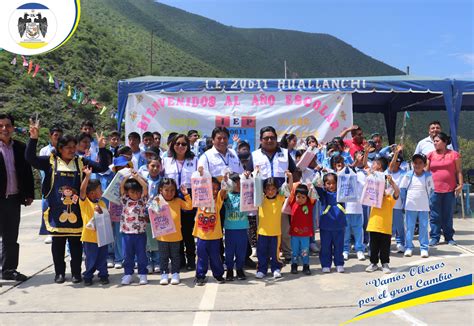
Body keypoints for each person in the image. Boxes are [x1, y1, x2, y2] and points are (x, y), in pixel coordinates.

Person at [26, 122, 108, 283]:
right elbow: (30, 158)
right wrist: (33, 139)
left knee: (76, 246)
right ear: (60, 148)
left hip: (77, 212)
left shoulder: (80, 162)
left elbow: (102, 166)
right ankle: (60, 273)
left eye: (73, 146)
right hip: (57, 211)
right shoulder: (50, 161)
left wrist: (102, 148)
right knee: (58, 245)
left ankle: (77, 273)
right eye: (68, 147)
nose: (71, 150)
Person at [246, 126, 297, 264]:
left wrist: (291, 180)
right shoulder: (255, 155)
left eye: (272, 138)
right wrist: (247, 174)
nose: (269, 140)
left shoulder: (285, 153)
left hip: (281, 196)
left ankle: (287, 253)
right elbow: (248, 172)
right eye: (266, 138)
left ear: (276, 139)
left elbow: (295, 172)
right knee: (263, 227)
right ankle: (266, 255)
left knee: (284, 227)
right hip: (262, 197)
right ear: (261, 140)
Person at [0, 113, 35, 282]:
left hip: (13, 199)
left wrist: (28, 193)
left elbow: (26, 172)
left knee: (11, 236)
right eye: (1, 126)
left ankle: (9, 269)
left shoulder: (20, 147)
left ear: (13, 128)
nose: (4, 129)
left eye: (7, 126)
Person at [163, 134, 198, 270]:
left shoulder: (194, 160)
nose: (180, 146)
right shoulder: (166, 160)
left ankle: (190, 260)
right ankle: (179, 260)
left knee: (188, 231)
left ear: (188, 146)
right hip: (171, 196)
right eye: (177, 143)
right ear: (173, 145)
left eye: (184, 144)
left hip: (187, 196)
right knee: (175, 229)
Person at [426, 132, 462, 246]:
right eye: (434, 141)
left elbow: (459, 171)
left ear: (445, 142)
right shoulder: (430, 155)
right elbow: (426, 171)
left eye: (437, 141)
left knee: (448, 214)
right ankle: (435, 237)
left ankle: (449, 237)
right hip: (433, 190)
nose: (435, 143)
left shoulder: (454, 154)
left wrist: (460, 184)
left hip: (449, 189)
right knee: (434, 215)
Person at [154, 178, 192, 285]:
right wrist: (155, 201)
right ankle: (164, 274)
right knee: (163, 256)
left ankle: (175, 273)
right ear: (161, 190)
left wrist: (186, 195)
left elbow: (189, 206)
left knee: (176, 256)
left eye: (172, 190)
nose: (170, 193)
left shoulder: (178, 201)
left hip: (176, 236)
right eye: (167, 190)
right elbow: (151, 213)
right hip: (162, 237)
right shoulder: (157, 201)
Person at [256, 173, 292, 279]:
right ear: (264, 190)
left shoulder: (280, 199)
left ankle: (276, 268)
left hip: (276, 233)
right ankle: (262, 270)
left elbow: (289, 189)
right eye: (268, 189)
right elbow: (256, 186)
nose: (270, 191)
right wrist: (256, 175)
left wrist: (290, 177)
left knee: (275, 253)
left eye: (273, 189)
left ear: (277, 190)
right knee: (261, 252)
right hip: (262, 232)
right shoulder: (260, 199)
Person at [79, 166, 109, 286]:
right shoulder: (85, 202)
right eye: (99, 189)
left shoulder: (101, 203)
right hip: (89, 237)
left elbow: (106, 217)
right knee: (90, 258)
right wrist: (87, 176)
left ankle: (103, 275)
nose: (101, 192)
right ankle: (88, 275)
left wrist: (102, 211)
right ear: (91, 193)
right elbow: (82, 191)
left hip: (102, 236)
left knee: (102, 257)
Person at [365, 172, 400, 274]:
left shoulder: (389, 198)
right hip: (373, 226)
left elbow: (397, 192)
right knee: (373, 247)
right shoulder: (373, 196)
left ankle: (385, 263)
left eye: (383, 185)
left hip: (385, 228)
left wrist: (391, 182)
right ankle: (373, 263)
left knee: (385, 248)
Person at [400, 154, 434, 258]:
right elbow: (402, 189)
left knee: (423, 227)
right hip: (410, 206)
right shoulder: (408, 175)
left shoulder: (428, 176)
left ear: (424, 164)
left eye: (420, 163)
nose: (417, 165)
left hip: (423, 206)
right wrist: (404, 203)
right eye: (415, 163)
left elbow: (431, 191)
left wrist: (429, 203)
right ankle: (408, 247)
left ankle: (424, 248)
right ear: (412, 164)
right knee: (409, 227)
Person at [193, 177, 225, 286]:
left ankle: (218, 274)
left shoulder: (217, 202)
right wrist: (201, 175)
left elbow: (223, 191)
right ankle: (200, 275)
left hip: (215, 236)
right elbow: (197, 184)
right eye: (212, 189)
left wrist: (224, 180)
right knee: (201, 256)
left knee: (215, 256)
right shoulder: (199, 200)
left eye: (217, 189)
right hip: (201, 235)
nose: (215, 191)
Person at [119, 171, 149, 285]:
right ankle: (128, 274)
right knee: (127, 255)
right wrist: (126, 178)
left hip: (140, 233)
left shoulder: (142, 201)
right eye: (132, 192)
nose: (135, 195)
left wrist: (137, 177)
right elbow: (122, 186)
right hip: (126, 233)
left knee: (141, 255)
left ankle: (143, 274)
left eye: (137, 192)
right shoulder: (125, 200)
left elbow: (145, 187)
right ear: (128, 192)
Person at [315, 173, 346, 273]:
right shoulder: (323, 194)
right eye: (328, 183)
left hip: (340, 225)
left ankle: (339, 263)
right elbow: (317, 188)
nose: (331, 186)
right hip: (326, 225)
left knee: (339, 246)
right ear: (324, 184)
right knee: (325, 246)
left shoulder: (342, 192)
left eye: (333, 183)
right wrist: (318, 176)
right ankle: (325, 264)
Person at [221, 172, 249, 281]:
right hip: (230, 229)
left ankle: (240, 269)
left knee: (241, 250)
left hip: (242, 228)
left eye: (240, 183)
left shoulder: (245, 194)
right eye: (235, 183)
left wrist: (247, 178)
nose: (238, 185)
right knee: (229, 251)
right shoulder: (228, 195)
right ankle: (229, 269)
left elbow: (252, 188)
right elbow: (222, 195)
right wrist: (224, 182)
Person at [39, 126, 63, 245]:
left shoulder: (64, 150)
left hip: (60, 184)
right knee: (46, 207)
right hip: (48, 183)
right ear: (50, 136)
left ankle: (58, 229)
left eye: (60, 136)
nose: (57, 138)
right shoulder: (44, 150)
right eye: (55, 136)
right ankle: (49, 232)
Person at [289, 183, 316, 275]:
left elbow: (313, 196)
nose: (300, 199)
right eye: (298, 197)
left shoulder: (309, 204)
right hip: (294, 234)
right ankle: (294, 265)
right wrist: (290, 178)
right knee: (294, 251)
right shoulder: (292, 203)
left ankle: (306, 265)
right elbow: (290, 192)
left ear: (307, 198)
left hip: (305, 234)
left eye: (303, 197)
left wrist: (311, 187)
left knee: (305, 251)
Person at [387, 145, 407, 253]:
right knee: (388, 225)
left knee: (399, 225)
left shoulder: (404, 173)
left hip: (398, 204)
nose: (394, 163)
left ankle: (400, 242)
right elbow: (390, 167)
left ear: (400, 163)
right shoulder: (387, 172)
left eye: (397, 161)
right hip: (387, 204)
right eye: (392, 161)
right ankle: (387, 242)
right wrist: (395, 153)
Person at [145, 157, 162, 274]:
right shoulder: (143, 181)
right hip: (145, 213)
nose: (155, 169)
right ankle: (148, 262)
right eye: (152, 166)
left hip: (158, 213)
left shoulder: (163, 181)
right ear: (147, 167)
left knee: (157, 238)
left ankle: (157, 261)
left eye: (157, 166)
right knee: (146, 238)